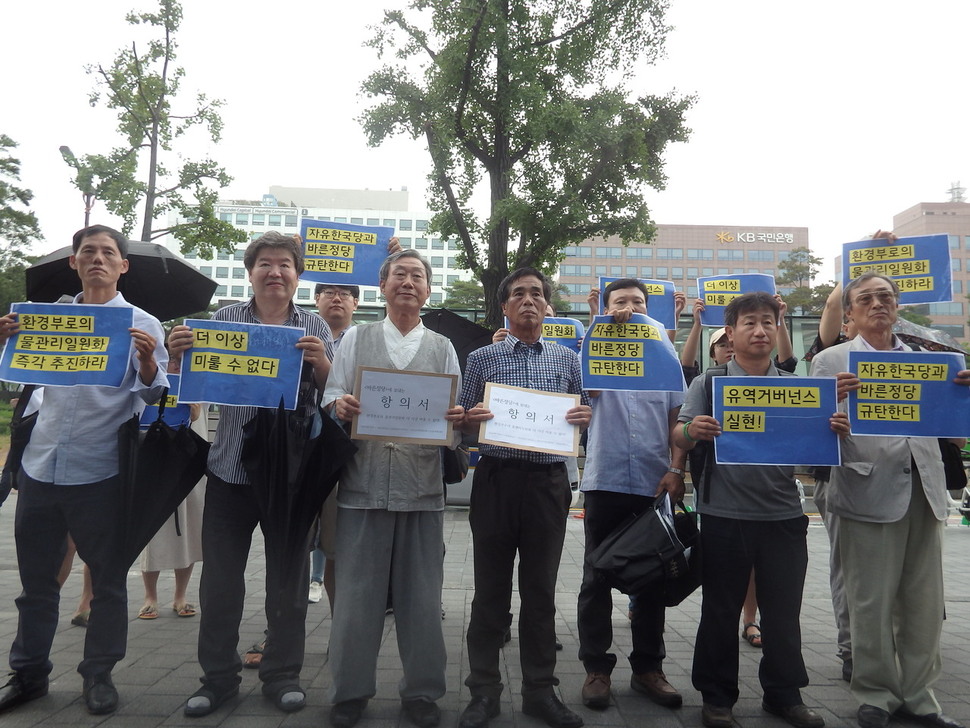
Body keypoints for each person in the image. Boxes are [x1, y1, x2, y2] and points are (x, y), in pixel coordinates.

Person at [0, 224, 168, 716]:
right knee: (36, 585)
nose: (98, 259)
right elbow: (15, 379)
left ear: (123, 265)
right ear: (74, 262)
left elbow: (157, 395)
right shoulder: (43, 321)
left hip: (103, 470)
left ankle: (98, 675)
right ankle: (28, 674)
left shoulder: (143, 323)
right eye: (88, 252)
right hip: (42, 466)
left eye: (108, 253)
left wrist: (147, 364)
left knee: (110, 583)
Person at [168, 231, 333, 718]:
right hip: (229, 470)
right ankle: (217, 679)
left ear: (298, 275)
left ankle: (282, 675)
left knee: (287, 581)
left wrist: (322, 362)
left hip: (290, 476)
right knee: (220, 583)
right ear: (250, 271)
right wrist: (179, 358)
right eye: (265, 263)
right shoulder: (224, 321)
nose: (275, 272)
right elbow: (194, 390)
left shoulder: (315, 325)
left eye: (285, 264)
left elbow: (337, 394)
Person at [673, 291, 847, 728]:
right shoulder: (709, 383)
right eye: (749, 322)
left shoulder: (798, 389)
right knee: (719, 610)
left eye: (767, 322)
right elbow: (678, 435)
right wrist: (692, 428)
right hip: (722, 515)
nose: (759, 330)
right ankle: (717, 698)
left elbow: (812, 460)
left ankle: (784, 695)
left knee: (784, 613)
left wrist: (833, 432)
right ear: (730, 333)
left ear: (777, 329)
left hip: (784, 516)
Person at [810, 270, 970, 728]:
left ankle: (920, 696)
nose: (878, 304)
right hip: (865, 487)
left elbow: (954, 438)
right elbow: (812, 431)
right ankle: (875, 693)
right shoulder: (832, 362)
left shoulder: (934, 363)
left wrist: (963, 400)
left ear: (898, 306)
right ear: (851, 312)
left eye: (886, 297)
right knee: (869, 601)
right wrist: (831, 418)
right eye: (866, 299)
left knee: (923, 602)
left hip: (924, 488)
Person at [324, 250, 464, 728]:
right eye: (399, 275)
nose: (408, 282)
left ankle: (423, 692)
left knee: (422, 599)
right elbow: (330, 394)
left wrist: (455, 421)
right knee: (356, 598)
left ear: (428, 290)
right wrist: (338, 405)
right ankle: (349, 692)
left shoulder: (442, 347)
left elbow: (455, 415)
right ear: (382, 287)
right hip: (360, 487)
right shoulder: (357, 339)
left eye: (417, 276)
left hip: (422, 489)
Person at [457, 267, 591, 728]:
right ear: (505, 307)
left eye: (537, 293)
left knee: (540, 592)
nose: (528, 301)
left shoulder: (568, 360)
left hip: (548, 485)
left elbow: (583, 412)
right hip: (496, 480)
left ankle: (540, 691)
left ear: (547, 305)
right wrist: (469, 418)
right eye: (519, 294)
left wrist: (584, 416)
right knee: (489, 592)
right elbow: (463, 423)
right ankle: (483, 691)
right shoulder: (481, 360)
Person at [576, 279, 687, 711]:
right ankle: (596, 669)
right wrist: (601, 329)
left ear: (651, 311)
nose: (630, 307)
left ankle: (648, 668)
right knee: (596, 577)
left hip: (651, 479)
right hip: (604, 479)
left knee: (652, 579)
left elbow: (678, 415)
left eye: (638, 302)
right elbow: (584, 393)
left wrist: (677, 469)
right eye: (621, 301)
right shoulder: (593, 348)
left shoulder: (665, 356)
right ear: (606, 308)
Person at [137, 373, 206, 621]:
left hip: (190, 455)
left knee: (188, 526)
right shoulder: (155, 371)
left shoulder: (201, 374)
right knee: (151, 530)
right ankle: (150, 597)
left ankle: (180, 595)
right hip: (155, 452)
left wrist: (194, 415)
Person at [308, 282, 360, 611]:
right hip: (296, 451)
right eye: (328, 291)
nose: (336, 297)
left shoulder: (365, 342)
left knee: (335, 547)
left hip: (339, 458)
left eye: (344, 293)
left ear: (357, 302)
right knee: (289, 543)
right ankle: (281, 631)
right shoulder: (298, 331)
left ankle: (340, 628)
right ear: (316, 299)